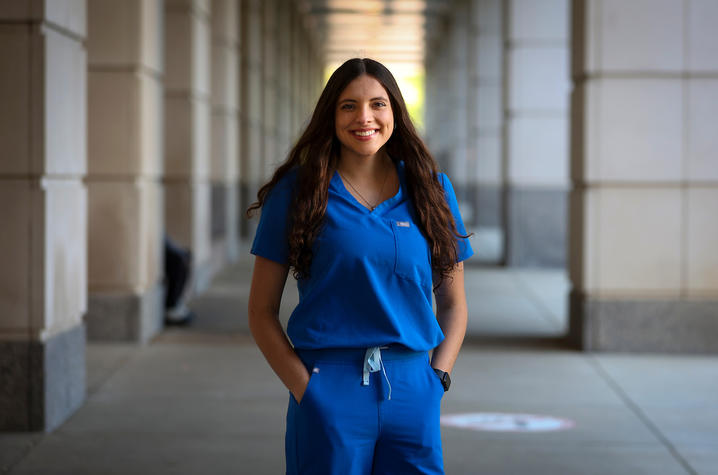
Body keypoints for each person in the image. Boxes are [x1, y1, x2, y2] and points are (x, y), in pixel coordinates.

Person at [246, 58, 473, 475]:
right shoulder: (297, 193)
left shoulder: (432, 191)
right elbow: (261, 311)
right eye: (348, 105)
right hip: (327, 383)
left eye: (377, 104)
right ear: (330, 115)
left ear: (395, 114)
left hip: (413, 387)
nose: (364, 117)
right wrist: (306, 390)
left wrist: (435, 380)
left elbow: (454, 304)